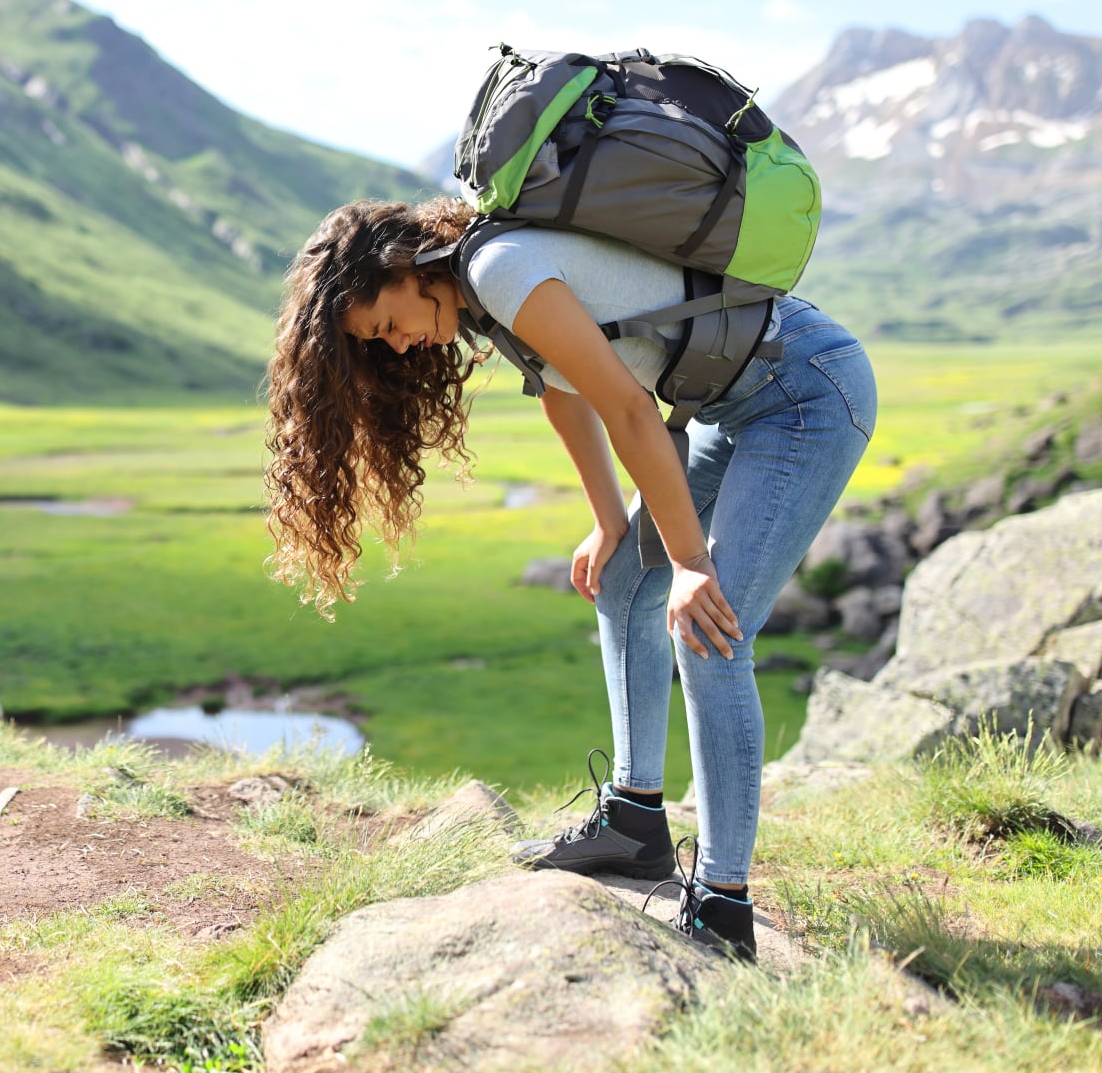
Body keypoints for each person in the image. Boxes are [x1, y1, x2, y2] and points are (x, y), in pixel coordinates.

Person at [263, 195, 876, 961]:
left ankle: (722, 904)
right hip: (730, 411)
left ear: (401, 267)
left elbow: (626, 406)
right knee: (624, 584)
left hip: (805, 394)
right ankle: (634, 823)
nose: (396, 346)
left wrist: (689, 563)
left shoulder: (497, 266)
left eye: (386, 324)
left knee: (709, 625)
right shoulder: (485, 295)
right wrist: (611, 521)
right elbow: (566, 395)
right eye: (378, 343)